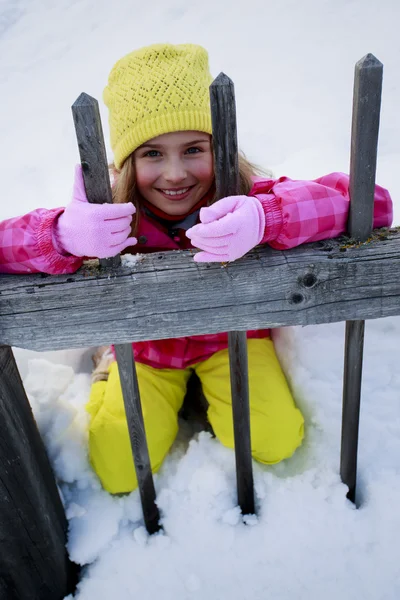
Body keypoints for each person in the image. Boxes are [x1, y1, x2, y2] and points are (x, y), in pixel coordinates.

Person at [0, 43, 393, 495]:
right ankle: (108, 363)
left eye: (192, 149)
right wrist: (62, 235)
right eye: (152, 154)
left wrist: (269, 217)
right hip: (148, 350)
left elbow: (372, 206)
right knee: (118, 471)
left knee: (275, 440)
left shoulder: (241, 196)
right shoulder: (105, 216)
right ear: (127, 161)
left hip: (233, 340)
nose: (174, 174)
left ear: (219, 147)